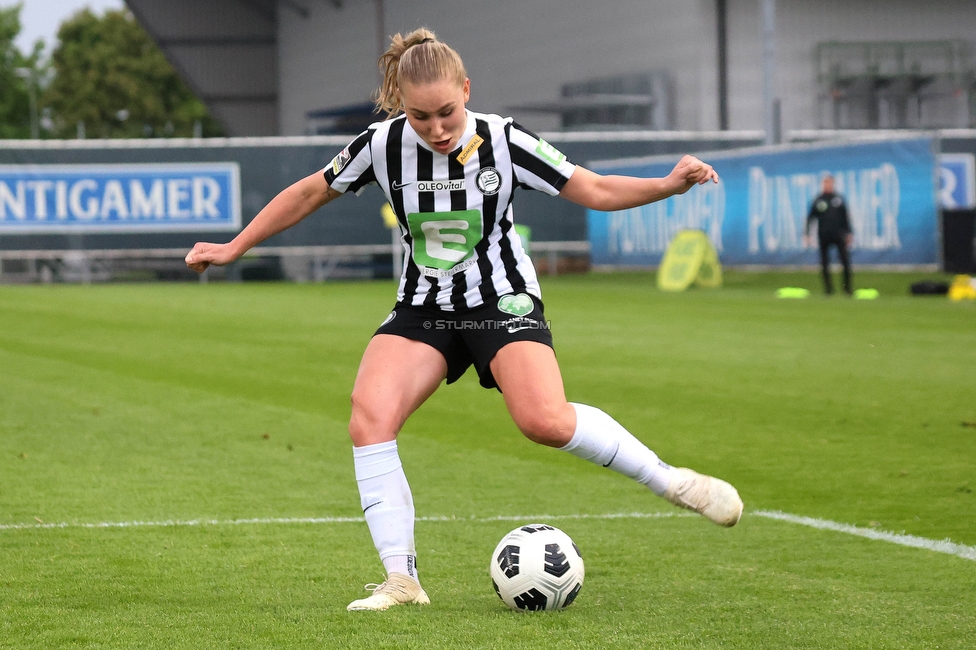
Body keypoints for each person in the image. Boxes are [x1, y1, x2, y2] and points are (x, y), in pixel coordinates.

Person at [185, 28, 743, 612]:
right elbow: (309, 193)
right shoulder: (380, 144)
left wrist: (667, 185)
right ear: (401, 105)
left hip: (500, 301)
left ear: (467, 92)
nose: (437, 128)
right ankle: (401, 582)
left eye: (447, 112)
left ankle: (672, 482)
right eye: (420, 116)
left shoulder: (504, 139)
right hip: (424, 307)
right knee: (369, 419)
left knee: (545, 421)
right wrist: (234, 246)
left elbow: (595, 188)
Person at [805, 175, 854, 295]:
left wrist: (849, 233)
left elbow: (845, 218)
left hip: (839, 235)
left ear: (833, 184)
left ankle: (847, 288)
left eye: (830, 183)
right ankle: (828, 289)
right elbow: (811, 218)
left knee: (845, 262)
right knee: (825, 263)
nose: (828, 185)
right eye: (826, 183)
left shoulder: (839, 199)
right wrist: (807, 233)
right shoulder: (818, 200)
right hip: (824, 235)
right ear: (823, 184)